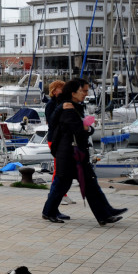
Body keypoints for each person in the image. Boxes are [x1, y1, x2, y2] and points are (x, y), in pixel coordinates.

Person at [40, 78, 127, 225]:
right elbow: (78, 130)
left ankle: (105, 214)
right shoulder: (67, 108)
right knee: (64, 184)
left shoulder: (73, 106)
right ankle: (49, 212)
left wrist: (88, 128)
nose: (86, 94)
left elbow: (83, 128)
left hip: (73, 153)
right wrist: (86, 128)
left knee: (88, 184)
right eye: (84, 91)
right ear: (74, 92)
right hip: (69, 154)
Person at [45, 80, 75, 209]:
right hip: (55, 138)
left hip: (63, 138)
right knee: (58, 168)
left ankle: (63, 193)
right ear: (54, 90)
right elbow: (51, 122)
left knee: (64, 168)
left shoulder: (63, 103)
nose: (63, 90)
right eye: (61, 88)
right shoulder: (51, 104)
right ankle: (55, 194)